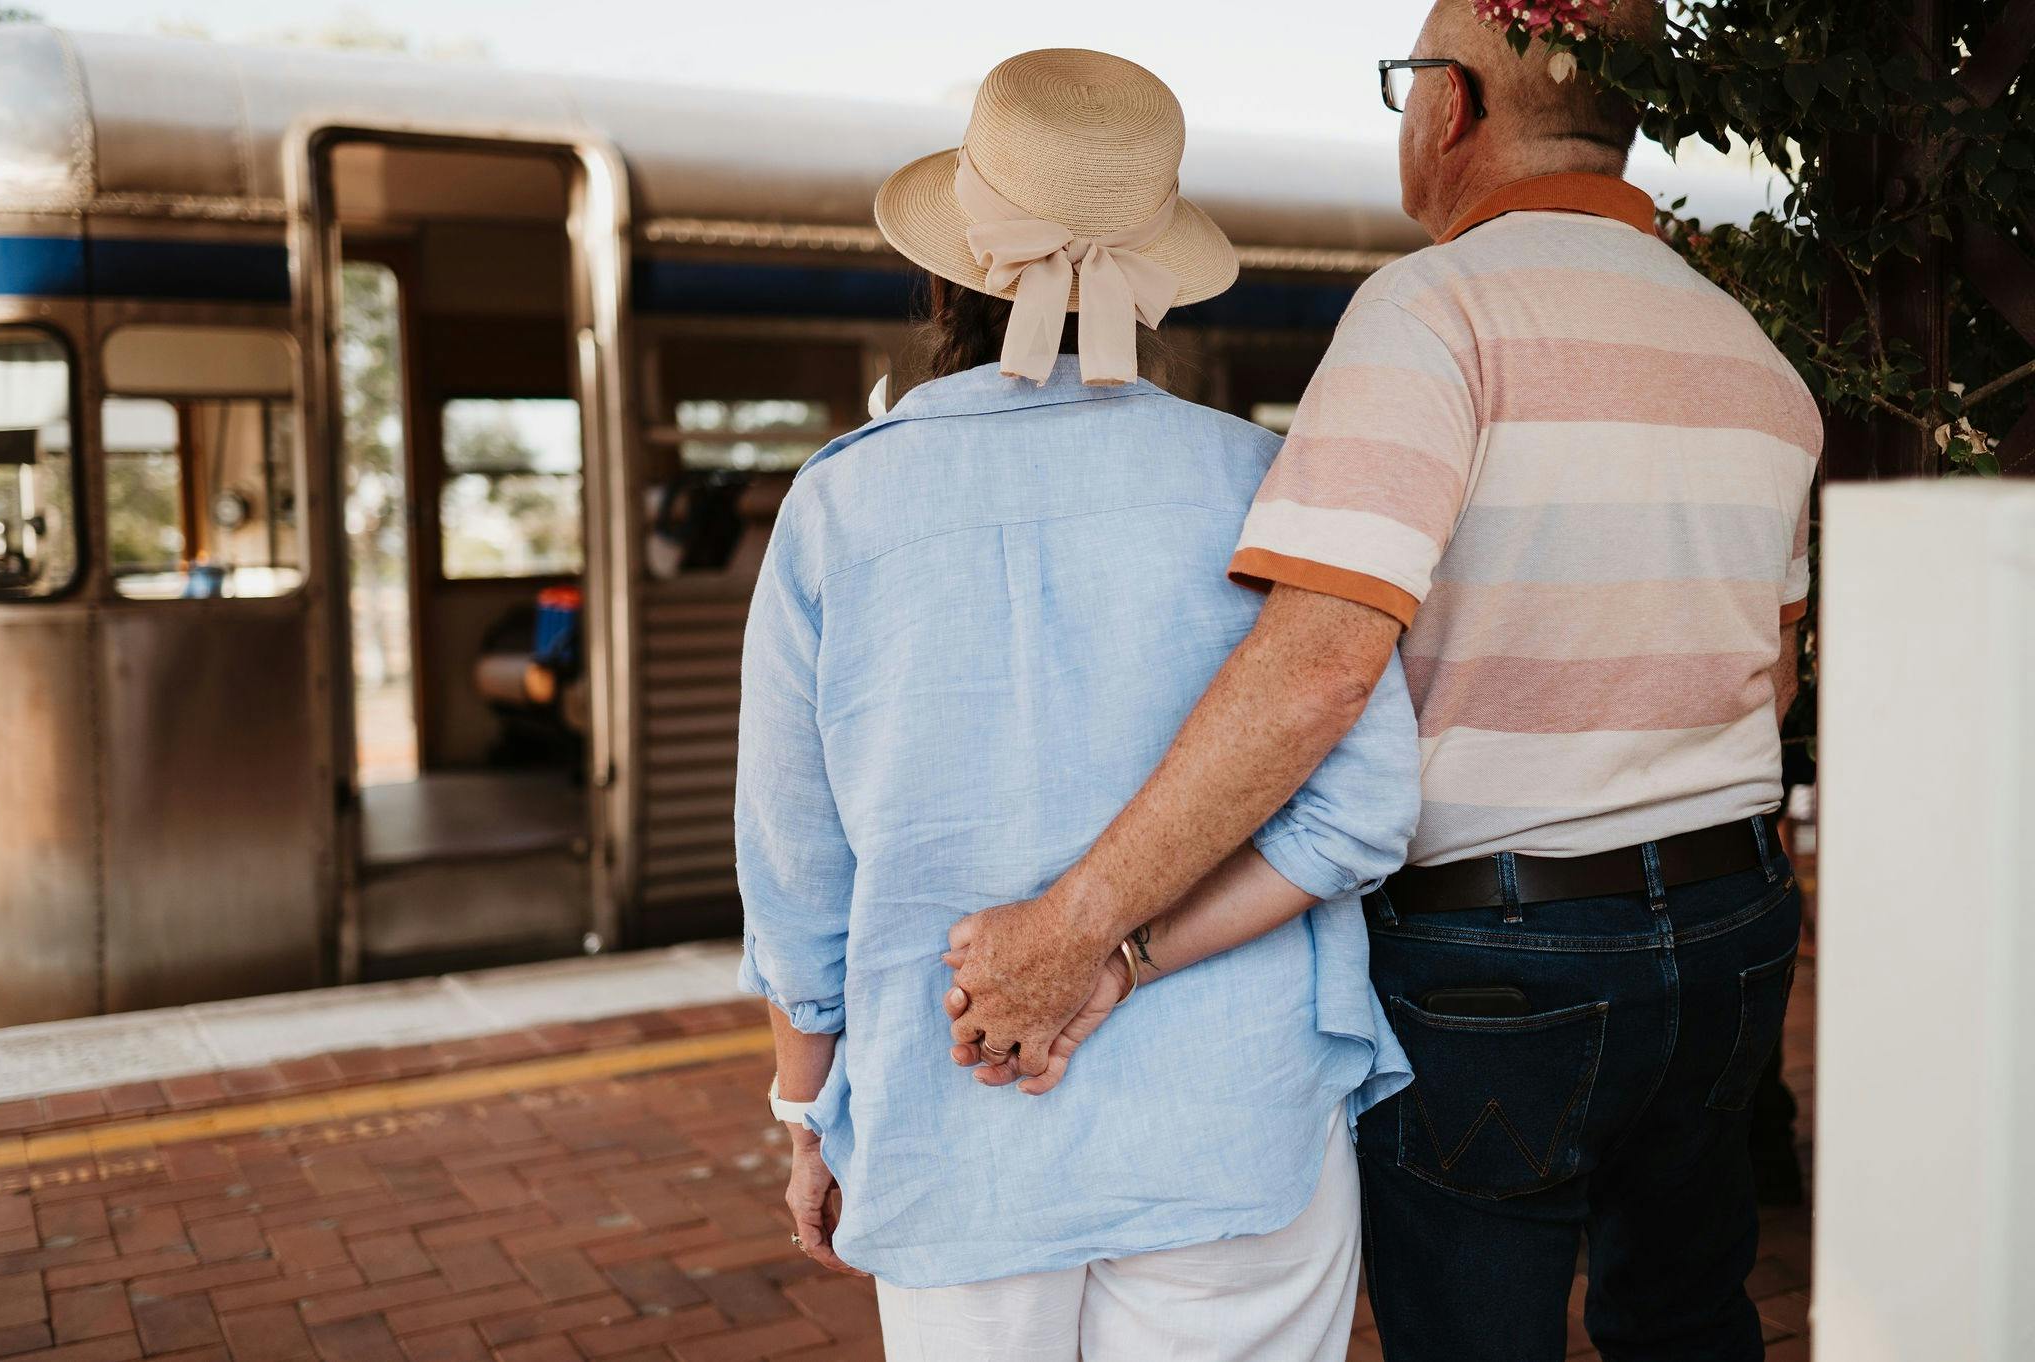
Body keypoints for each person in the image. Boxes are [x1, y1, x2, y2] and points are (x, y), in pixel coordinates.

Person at [942, 5, 1821, 1360]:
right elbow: (1766, 682)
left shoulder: (1434, 314)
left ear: (1452, 106)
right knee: (1692, 1317)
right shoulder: (1753, 358)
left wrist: (1080, 930)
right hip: (1733, 923)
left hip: (1499, 958)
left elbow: (1312, 674)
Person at [735, 48, 1422, 1362]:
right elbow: (1362, 813)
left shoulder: (839, 506)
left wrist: (808, 1116)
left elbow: (797, 871)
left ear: (943, 273)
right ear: (1155, 279)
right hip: (1235, 1125)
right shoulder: (1270, 485)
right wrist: (1129, 956)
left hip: (956, 1117)